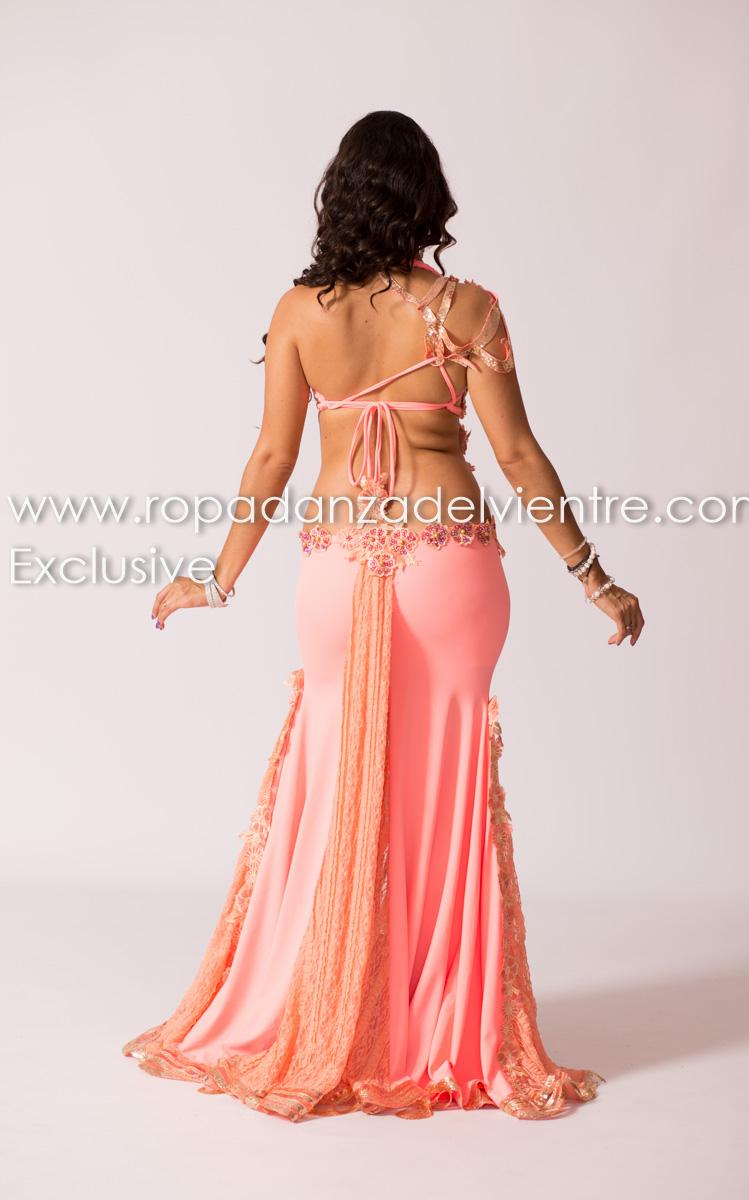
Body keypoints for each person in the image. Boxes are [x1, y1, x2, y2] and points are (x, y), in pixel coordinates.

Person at [123, 110, 643, 1122]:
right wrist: (593, 576)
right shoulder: (467, 308)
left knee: (333, 775)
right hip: (448, 567)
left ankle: (329, 1009)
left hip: (335, 564)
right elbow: (517, 455)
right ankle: (432, 1026)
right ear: (426, 199)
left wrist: (213, 580)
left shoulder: (299, 313)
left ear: (341, 199)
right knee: (441, 783)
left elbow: (272, 458)